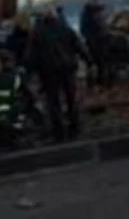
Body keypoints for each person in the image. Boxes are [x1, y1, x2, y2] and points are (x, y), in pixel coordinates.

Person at [27, 9, 91, 142]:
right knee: (70, 99)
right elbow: (79, 46)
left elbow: (32, 54)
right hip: (67, 68)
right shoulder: (66, 29)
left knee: (53, 101)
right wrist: (89, 60)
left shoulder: (38, 33)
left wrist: (30, 71)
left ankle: (59, 132)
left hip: (48, 71)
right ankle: (75, 128)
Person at [79, 0, 111, 89]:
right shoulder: (87, 14)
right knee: (92, 64)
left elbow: (104, 27)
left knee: (103, 64)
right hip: (93, 42)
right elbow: (84, 29)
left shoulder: (100, 13)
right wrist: (90, 40)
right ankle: (93, 84)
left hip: (102, 41)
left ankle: (102, 83)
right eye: (94, 1)